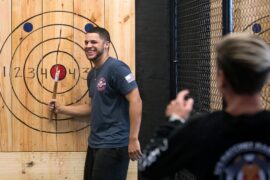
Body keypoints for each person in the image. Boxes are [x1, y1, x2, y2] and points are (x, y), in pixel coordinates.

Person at [139, 33, 270, 179]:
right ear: (264, 78)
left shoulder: (201, 130)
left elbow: (148, 166)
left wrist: (174, 121)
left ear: (222, 79)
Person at [49, 27, 142, 180]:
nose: (88, 45)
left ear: (106, 45)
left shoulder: (117, 68)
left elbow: (136, 100)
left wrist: (133, 139)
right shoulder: (93, 74)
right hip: (96, 143)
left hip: (114, 144)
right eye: (86, 42)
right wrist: (62, 108)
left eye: (94, 42)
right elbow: (92, 107)